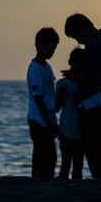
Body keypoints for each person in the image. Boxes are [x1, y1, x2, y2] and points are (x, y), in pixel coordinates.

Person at [62, 13, 101, 180]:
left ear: (82, 28)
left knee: (92, 146)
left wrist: (73, 76)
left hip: (91, 101)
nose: (79, 42)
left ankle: (99, 179)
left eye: (76, 36)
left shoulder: (93, 45)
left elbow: (92, 76)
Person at [27, 27, 59, 178]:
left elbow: (49, 94)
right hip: (38, 120)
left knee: (51, 156)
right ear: (40, 45)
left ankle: (48, 180)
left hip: (48, 118)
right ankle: (38, 180)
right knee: (41, 154)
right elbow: (38, 98)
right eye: (51, 47)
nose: (53, 51)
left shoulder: (47, 67)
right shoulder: (34, 69)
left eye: (54, 48)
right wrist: (49, 123)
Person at [55, 48, 85, 180]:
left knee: (78, 165)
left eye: (81, 62)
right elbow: (56, 107)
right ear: (70, 62)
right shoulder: (62, 83)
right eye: (76, 62)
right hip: (66, 127)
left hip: (81, 129)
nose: (78, 65)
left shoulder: (86, 84)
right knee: (66, 164)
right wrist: (60, 95)